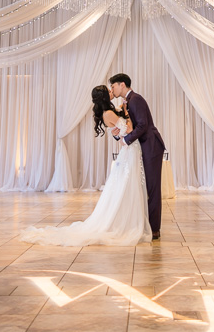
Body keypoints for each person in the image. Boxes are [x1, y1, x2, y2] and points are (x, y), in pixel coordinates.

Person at [20, 85, 152, 247]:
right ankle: (128, 223)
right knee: (128, 186)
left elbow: (119, 131)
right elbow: (129, 128)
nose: (112, 92)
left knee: (128, 186)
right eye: (109, 91)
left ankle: (129, 219)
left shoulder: (108, 113)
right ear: (105, 96)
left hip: (129, 150)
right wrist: (126, 112)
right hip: (129, 152)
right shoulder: (109, 113)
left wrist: (120, 122)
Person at [109, 73, 165, 240]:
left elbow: (142, 125)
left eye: (113, 86)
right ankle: (147, 225)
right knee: (145, 187)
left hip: (151, 146)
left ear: (122, 84)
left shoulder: (136, 99)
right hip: (142, 147)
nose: (112, 89)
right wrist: (118, 134)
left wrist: (126, 140)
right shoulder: (127, 102)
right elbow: (130, 126)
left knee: (152, 188)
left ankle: (155, 229)